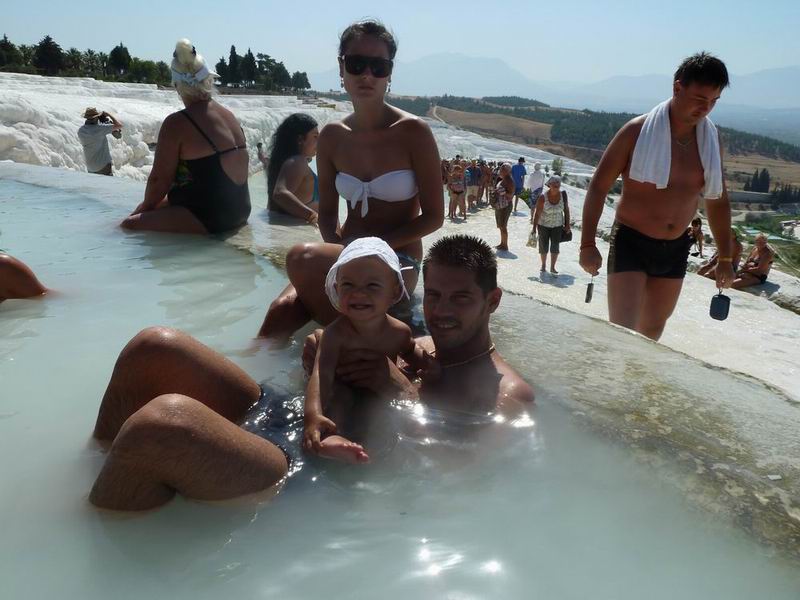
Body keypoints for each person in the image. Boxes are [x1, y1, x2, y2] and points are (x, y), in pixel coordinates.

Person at [87, 235, 533, 511]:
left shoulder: (507, 393)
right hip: (291, 415)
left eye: (461, 298)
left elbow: (452, 476)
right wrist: (318, 361)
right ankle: (94, 471)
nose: (441, 311)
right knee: (153, 348)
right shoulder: (416, 340)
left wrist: (399, 392)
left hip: (309, 468)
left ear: (492, 301)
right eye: (433, 295)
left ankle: (104, 539)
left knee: (160, 426)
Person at [258, 20, 444, 340]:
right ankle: (253, 371)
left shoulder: (414, 132)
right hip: (344, 248)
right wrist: (343, 250)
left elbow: (434, 217)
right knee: (281, 311)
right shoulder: (332, 136)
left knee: (302, 258)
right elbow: (328, 214)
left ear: (389, 73)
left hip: (398, 256)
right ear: (341, 68)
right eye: (357, 64)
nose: (367, 75)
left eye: (378, 66)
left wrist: (371, 248)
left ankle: (343, 349)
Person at [579, 52, 734, 341]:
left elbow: (717, 199)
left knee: (652, 332)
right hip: (632, 241)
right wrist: (587, 243)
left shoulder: (711, 141)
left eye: (714, 101)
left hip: (675, 248)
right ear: (677, 88)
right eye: (700, 99)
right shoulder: (635, 132)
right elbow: (599, 186)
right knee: (622, 331)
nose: (706, 109)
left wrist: (725, 256)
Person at [303, 238, 429, 464]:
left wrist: (430, 366)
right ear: (336, 289)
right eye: (348, 285)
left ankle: (375, 449)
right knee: (340, 398)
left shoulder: (399, 331)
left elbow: (411, 351)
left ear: (394, 292)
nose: (359, 293)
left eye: (372, 286)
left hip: (376, 391)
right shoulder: (335, 334)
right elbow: (322, 374)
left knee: (381, 412)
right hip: (343, 387)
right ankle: (331, 438)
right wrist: (313, 415)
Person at [121, 39, 251, 234]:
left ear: (177, 86)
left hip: (213, 217)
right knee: (157, 208)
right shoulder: (228, 115)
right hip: (240, 210)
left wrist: (142, 211)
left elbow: (158, 181)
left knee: (129, 225)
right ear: (208, 79)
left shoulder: (177, 123)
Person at [266, 113, 320, 224]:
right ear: (300, 139)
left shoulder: (285, 161)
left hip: (289, 228)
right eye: (315, 137)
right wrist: (312, 216)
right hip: (303, 230)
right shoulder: (298, 161)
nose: (318, 141)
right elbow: (280, 194)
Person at [531, 175, 570, 275]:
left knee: (555, 246)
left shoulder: (563, 196)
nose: (556, 185)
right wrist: (534, 228)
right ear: (549, 184)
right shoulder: (542, 197)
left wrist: (567, 225)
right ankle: (543, 265)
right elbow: (537, 214)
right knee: (543, 245)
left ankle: (552, 267)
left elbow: (566, 210)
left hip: (557, 225)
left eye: (558, 183)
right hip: (543, 225)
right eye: (554, 183)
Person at [78, 107, 122, 176]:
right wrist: (108, 114)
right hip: (103, 165)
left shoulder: (81, 131)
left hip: (90, 167)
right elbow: (119, 125)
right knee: (107, 182)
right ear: (96, 117)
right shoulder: (100, 129)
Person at [492, 163, 514, 251]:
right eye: (501, 169)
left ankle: (505, 245)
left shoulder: (509, 181)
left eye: (502, 169)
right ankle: (502, 243)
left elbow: (511, 195)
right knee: (501, 226)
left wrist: (502, 192)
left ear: (507, 171)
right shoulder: (504, 179)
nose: (500, 170)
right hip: (500, 206)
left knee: (503, 226)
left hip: (505, 206)